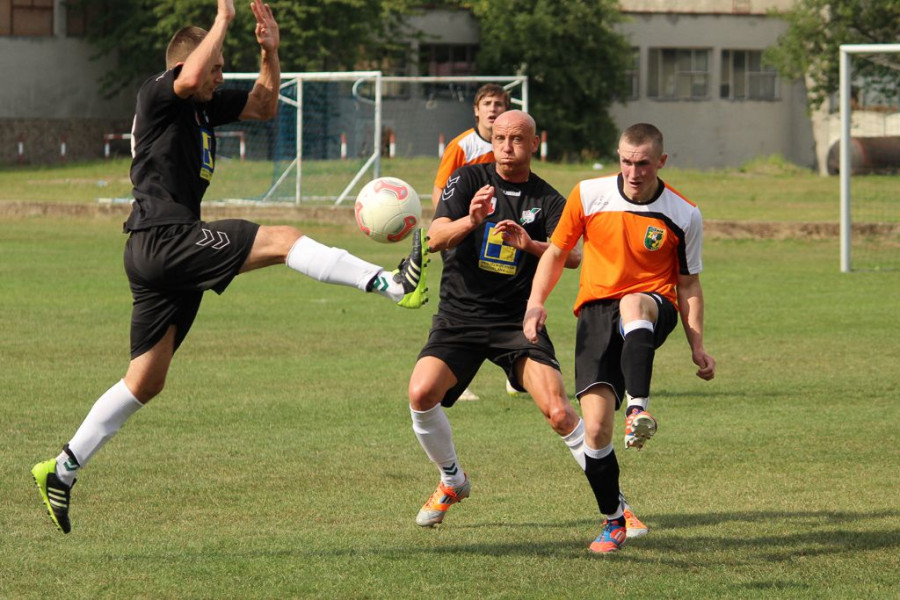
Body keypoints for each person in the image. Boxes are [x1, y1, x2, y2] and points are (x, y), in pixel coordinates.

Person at [30, 0, 428, 535]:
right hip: (165, 238)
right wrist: (224, 20)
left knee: (145, 381)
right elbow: (194, 72)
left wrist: (271, 51)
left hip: (158, 252)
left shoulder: (200, 106)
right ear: (187, 65)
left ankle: (61, 469)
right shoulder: (158, 95)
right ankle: (390, 281)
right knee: (284, 240)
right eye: (217, 69)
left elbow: (264, 105)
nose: (220, 80)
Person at [407, 110, 647, 539]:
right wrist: (472, 220)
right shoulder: (466, 180)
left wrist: (530, 242)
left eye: (516, 139)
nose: (506, 146)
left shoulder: (550, 200)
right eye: (499, 138)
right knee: (421, 393)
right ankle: (452, 480)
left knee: (558, 412)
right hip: (460, 316)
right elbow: (436, 236)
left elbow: (572, 256)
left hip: (518, 321)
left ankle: (617, 505)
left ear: (534, 143)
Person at [523, 122, 716, 553]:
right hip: (594, 312)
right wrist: (536, 302)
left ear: (661, 162)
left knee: (634, 303)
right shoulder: (589, 194)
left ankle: (639, 409)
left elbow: (688, 286)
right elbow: (557, 253)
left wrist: (697, 344)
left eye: (643, 163)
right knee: (593, 431)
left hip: (652, 304)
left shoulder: (684, 214)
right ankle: (613, 519)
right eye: (626, 161)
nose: (633, 171)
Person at [431, 83, 519, 400]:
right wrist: (447, 227)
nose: (494, 109)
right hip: (465, 233)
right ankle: (458, 379)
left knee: (508, 298)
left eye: (499, 104)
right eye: (488, 103)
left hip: (500, 234)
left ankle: (516, 371)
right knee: (464, 303)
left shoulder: (512, 146)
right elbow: (440, 191)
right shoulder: (461, 146)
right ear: (476, 109)